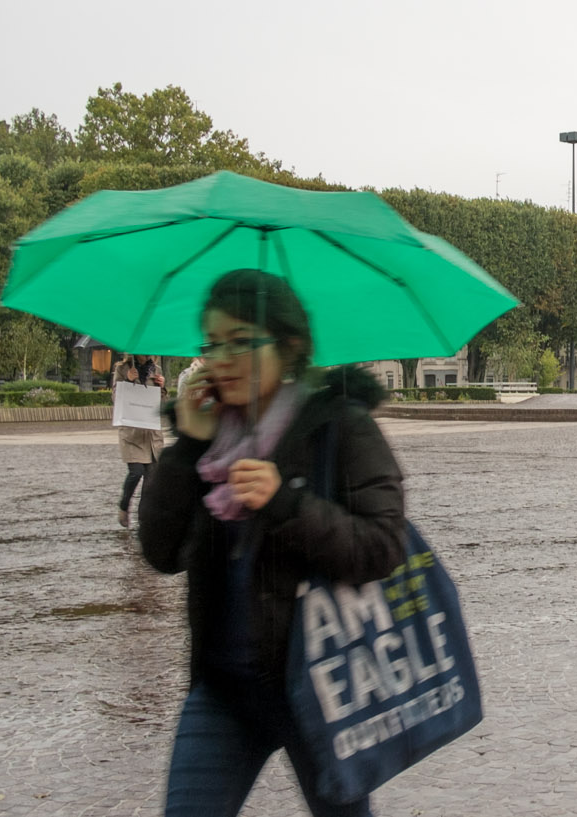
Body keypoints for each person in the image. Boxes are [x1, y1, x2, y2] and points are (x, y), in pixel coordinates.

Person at [137, 268, 407, 817]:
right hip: (222, 693)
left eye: (241, 342)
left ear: (288, 347)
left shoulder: (340, 427)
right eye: (212, 343)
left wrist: (285, 503)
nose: (221, 359)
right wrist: (187, 445)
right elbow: (161, 552)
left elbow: (382, 547)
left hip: (323, 689)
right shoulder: (211, 435)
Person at [115, 354, 167, 528]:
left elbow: (161, 404)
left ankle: (143, 522)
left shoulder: (156, 370)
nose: (146, 353)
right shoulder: (122, 369)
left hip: (152, 435)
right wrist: (128, 381)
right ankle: (124, 505)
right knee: (136, 472)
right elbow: (115, 399)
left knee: (151, 480)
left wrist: (162, 388)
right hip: (132, 433)